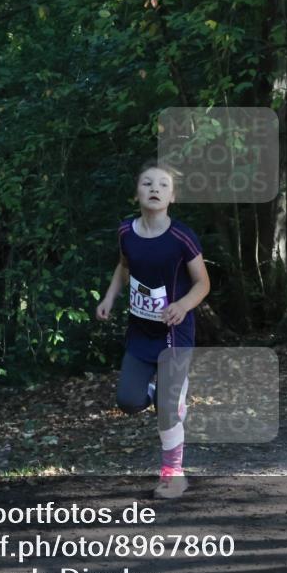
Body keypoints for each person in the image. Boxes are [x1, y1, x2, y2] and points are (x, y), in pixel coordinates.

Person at [95, 160, 210, 499]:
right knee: (128, 401)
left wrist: (183, 305)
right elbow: (124, 266)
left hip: (175, 334)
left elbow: (203, 283)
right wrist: (109, 297)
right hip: (141, 333)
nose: (154, 189)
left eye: (162, 185)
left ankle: (173, 473)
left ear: (172, 196)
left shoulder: (182, 237)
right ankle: (163, 399)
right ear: (137, 193)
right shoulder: (126, 232)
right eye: (147, 184)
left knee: (167, 405)